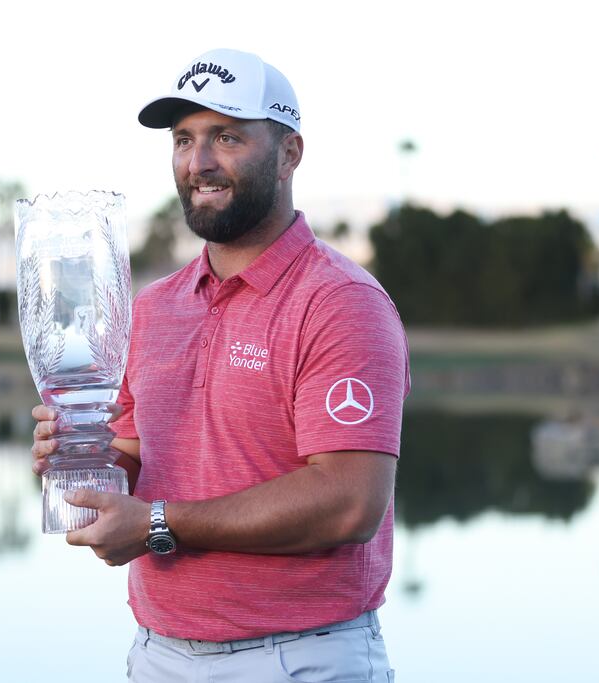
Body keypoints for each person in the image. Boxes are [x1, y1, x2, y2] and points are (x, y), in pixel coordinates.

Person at [31, 48, 410, 682]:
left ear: (290, 153)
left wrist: (156, 524)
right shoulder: (150, 310)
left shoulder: (340, 303)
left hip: (300, 658)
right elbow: (130, 456)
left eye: (226, 137)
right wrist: (76, 461)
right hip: (158, 654)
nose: (198, 162)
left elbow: (349, 502)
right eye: (184, 139)